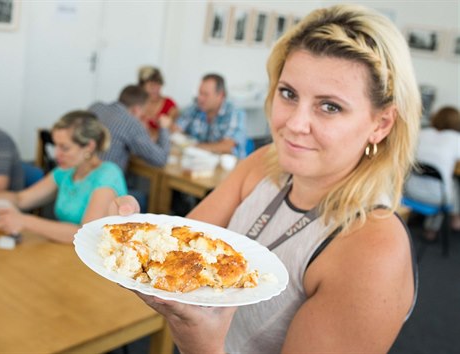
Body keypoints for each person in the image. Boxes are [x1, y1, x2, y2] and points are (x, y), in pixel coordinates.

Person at [110, 4, 420, 352]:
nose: (294, 124)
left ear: (381, 125)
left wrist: (202, 347)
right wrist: (136, 241)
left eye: (330, 106)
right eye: (288, 94)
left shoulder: (373, 248)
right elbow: (178, 254)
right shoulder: (264, 164)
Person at [0, 110, 126, 243]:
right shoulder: (66, 171)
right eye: (56, 146)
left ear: (89, 146)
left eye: (64, 148)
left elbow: (85, 234)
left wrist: (25, 221)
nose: (56, 154)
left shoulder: (107, 175)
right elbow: (21, 198)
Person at [405, 106, 460, 240]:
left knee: (440, 181)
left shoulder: (422, 133)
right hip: (436, 198)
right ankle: (436, 228)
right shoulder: (456, 139)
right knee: (454, 184)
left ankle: (416, 217)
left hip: (408, 191)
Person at [89, 85, 171, 171]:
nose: (144, 116)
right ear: (136, 109)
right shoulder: (132, 124)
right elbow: (160, 159)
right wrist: (164, 128)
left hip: (80, 174)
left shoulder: (95, 107)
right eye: (143, 111)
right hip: (104, 180)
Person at [175, 73, 247, 158]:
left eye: (205, 94)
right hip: (200, 163)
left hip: (230, 168)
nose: (200, 98)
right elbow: (177, 129)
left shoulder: (235, 112)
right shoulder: (195, 107)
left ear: (220, 95)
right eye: (200, 93)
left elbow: (227, 147)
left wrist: (194, 147)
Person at [138, 66, 179, 139]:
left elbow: (170, 132)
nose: (155, 89)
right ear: (142, 86)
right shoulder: (135, 104)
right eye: (151, 85)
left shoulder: (170, 105)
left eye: (158, 84)